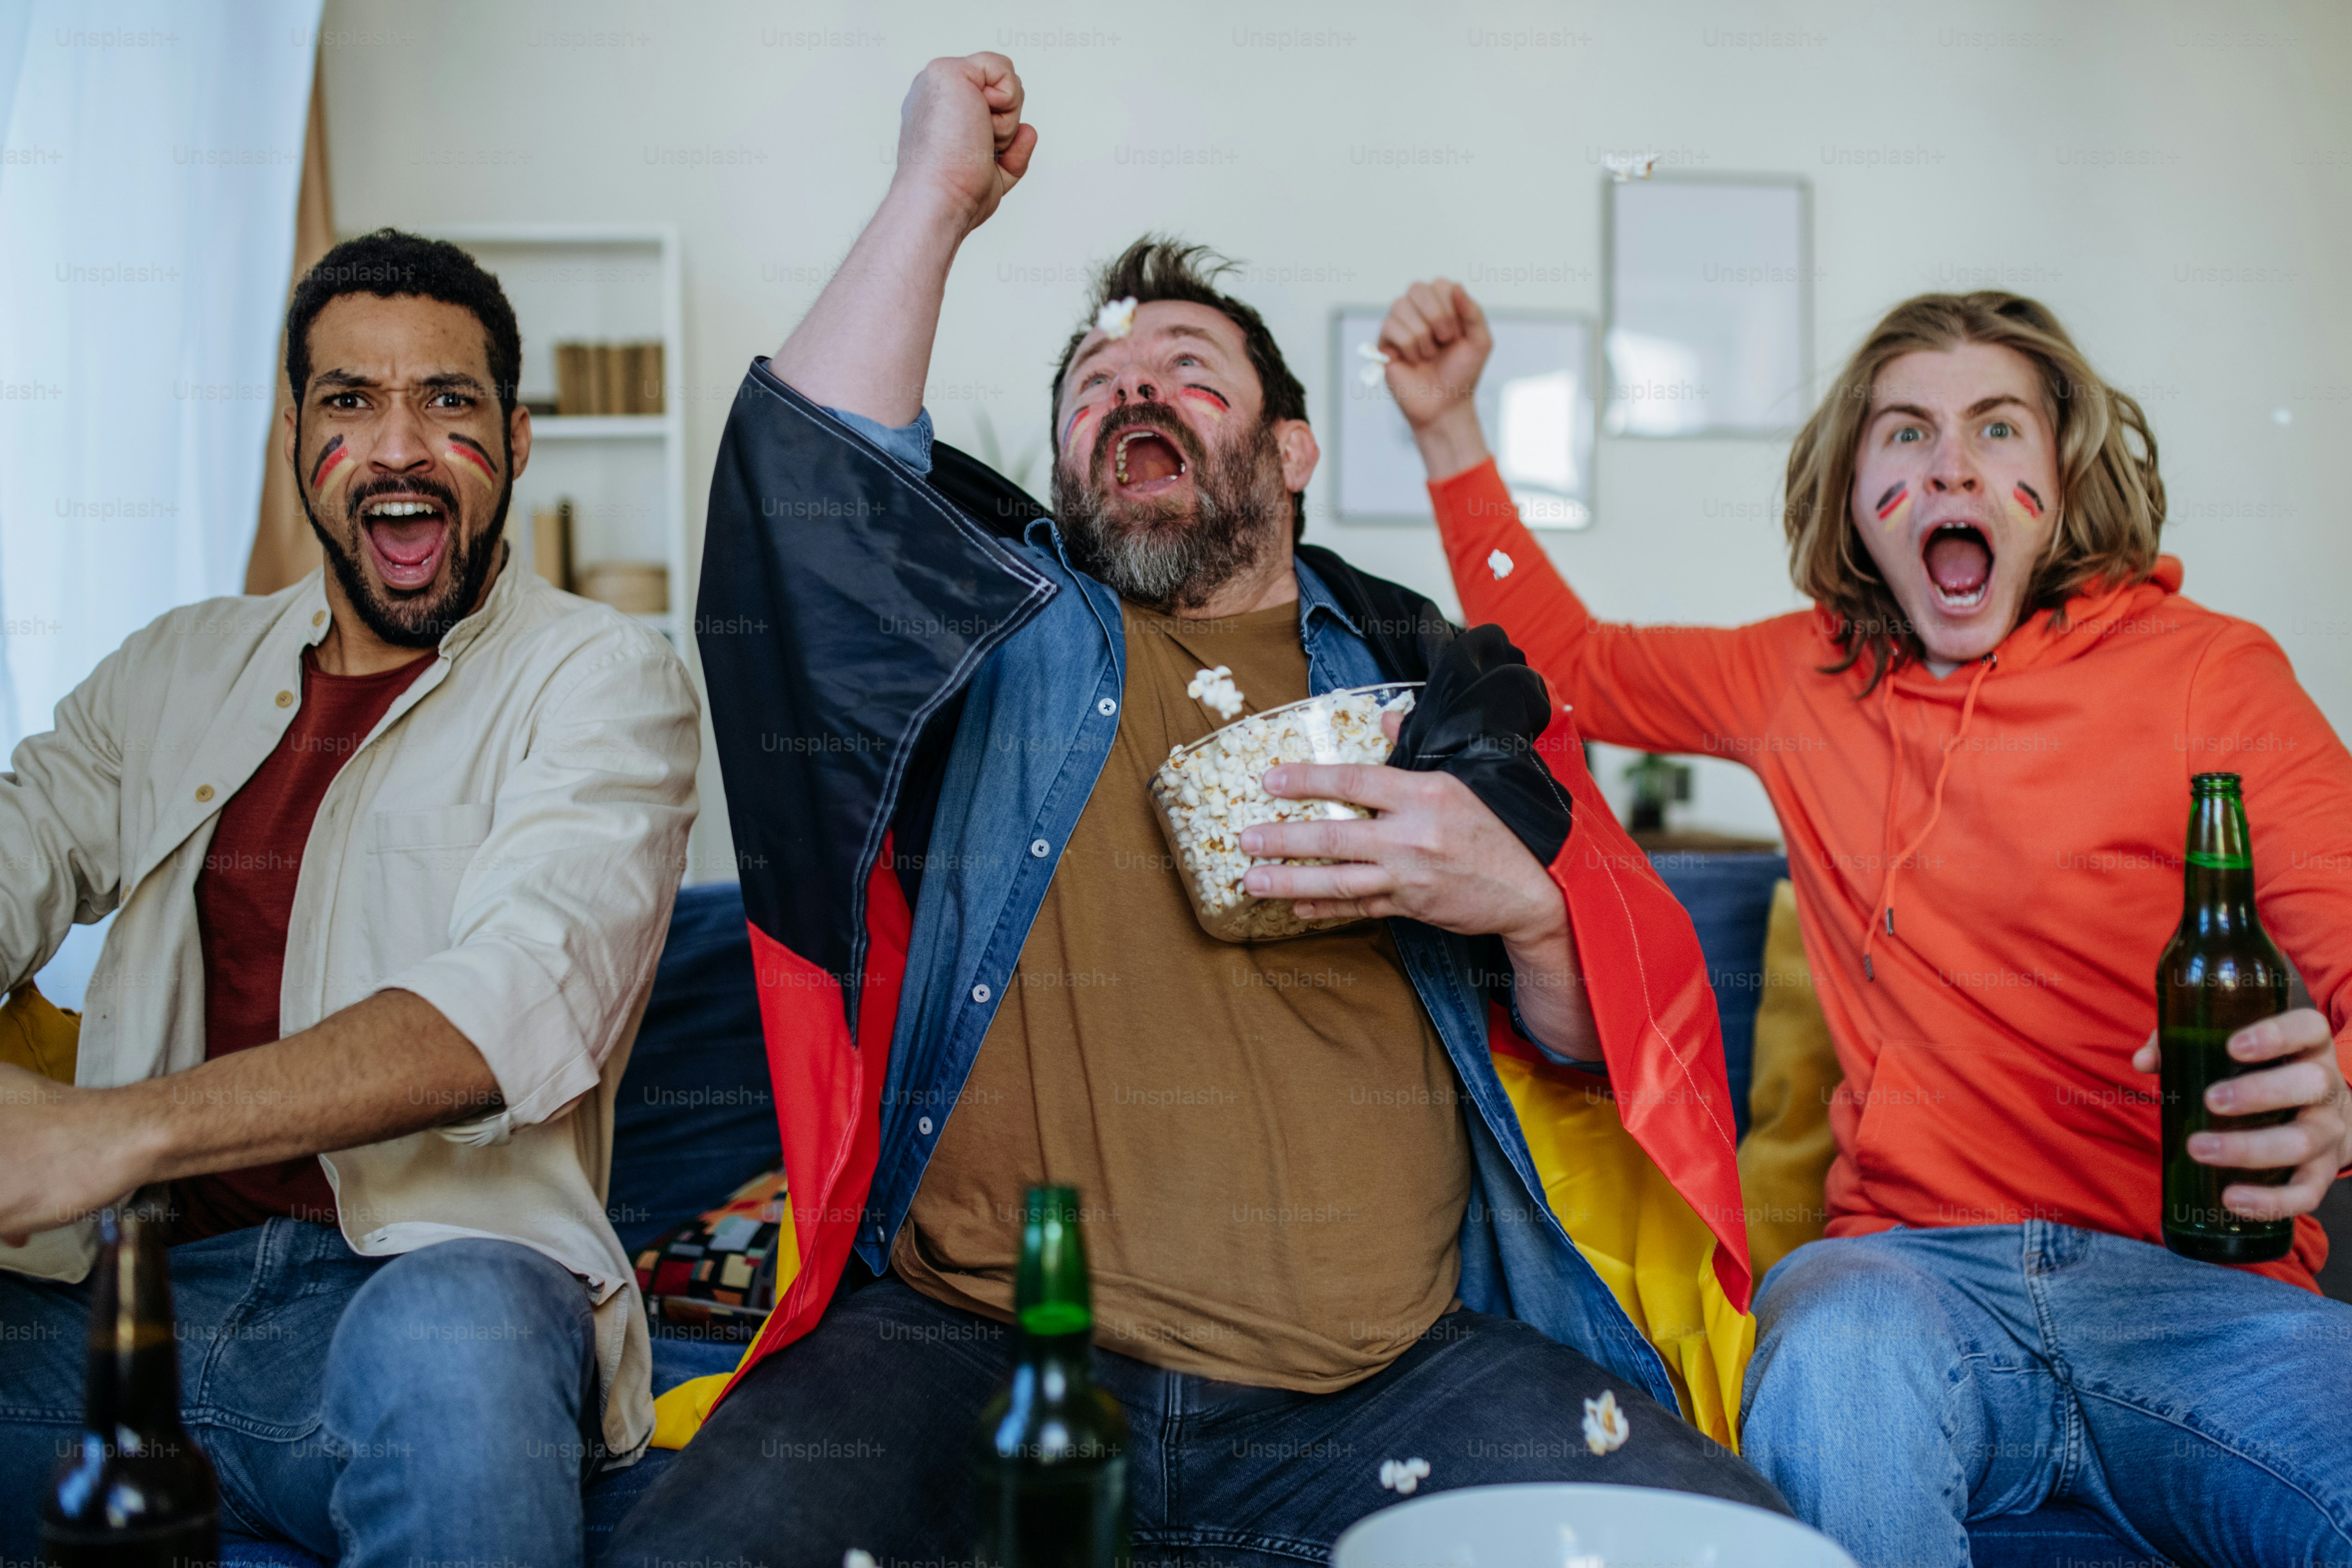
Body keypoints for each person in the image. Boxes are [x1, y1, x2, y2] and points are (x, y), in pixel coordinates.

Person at [609, 53, 1785, 1567]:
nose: (1133, 390)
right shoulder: (992, 643)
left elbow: (1597, 1038)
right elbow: (807, 490)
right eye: (1094, 386)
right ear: (1062, 462)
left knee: (1733, 1549)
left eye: (1187, 369)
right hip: (975, 1347)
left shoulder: (1439, 688)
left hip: (1380, 1381)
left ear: (1291, 454)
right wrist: (935, 191)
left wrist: (1527, 901)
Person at [1383, 274, 2352, 1566]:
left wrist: (2336, 1091)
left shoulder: (2210, 672)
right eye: (1906, 432)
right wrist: (1451, 430)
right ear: (1853, 491)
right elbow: (1573, 654)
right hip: (1905, 1285)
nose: (1952, 463)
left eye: (1999, 427)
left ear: (2063, 473)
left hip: (2201, 1303)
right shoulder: (1802, 673)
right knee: (1832, 1351)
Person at [0, 230, 701, 1561]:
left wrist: (114, 1132)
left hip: (421, 1296)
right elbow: (20, 842)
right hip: (126, 1305)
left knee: (459, 1336)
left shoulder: (606, 681)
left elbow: (508, 1009)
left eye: (448, 401)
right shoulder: (176, 665)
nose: (398, 447)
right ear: (291, 437)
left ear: (518, 438)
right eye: (349, 402)